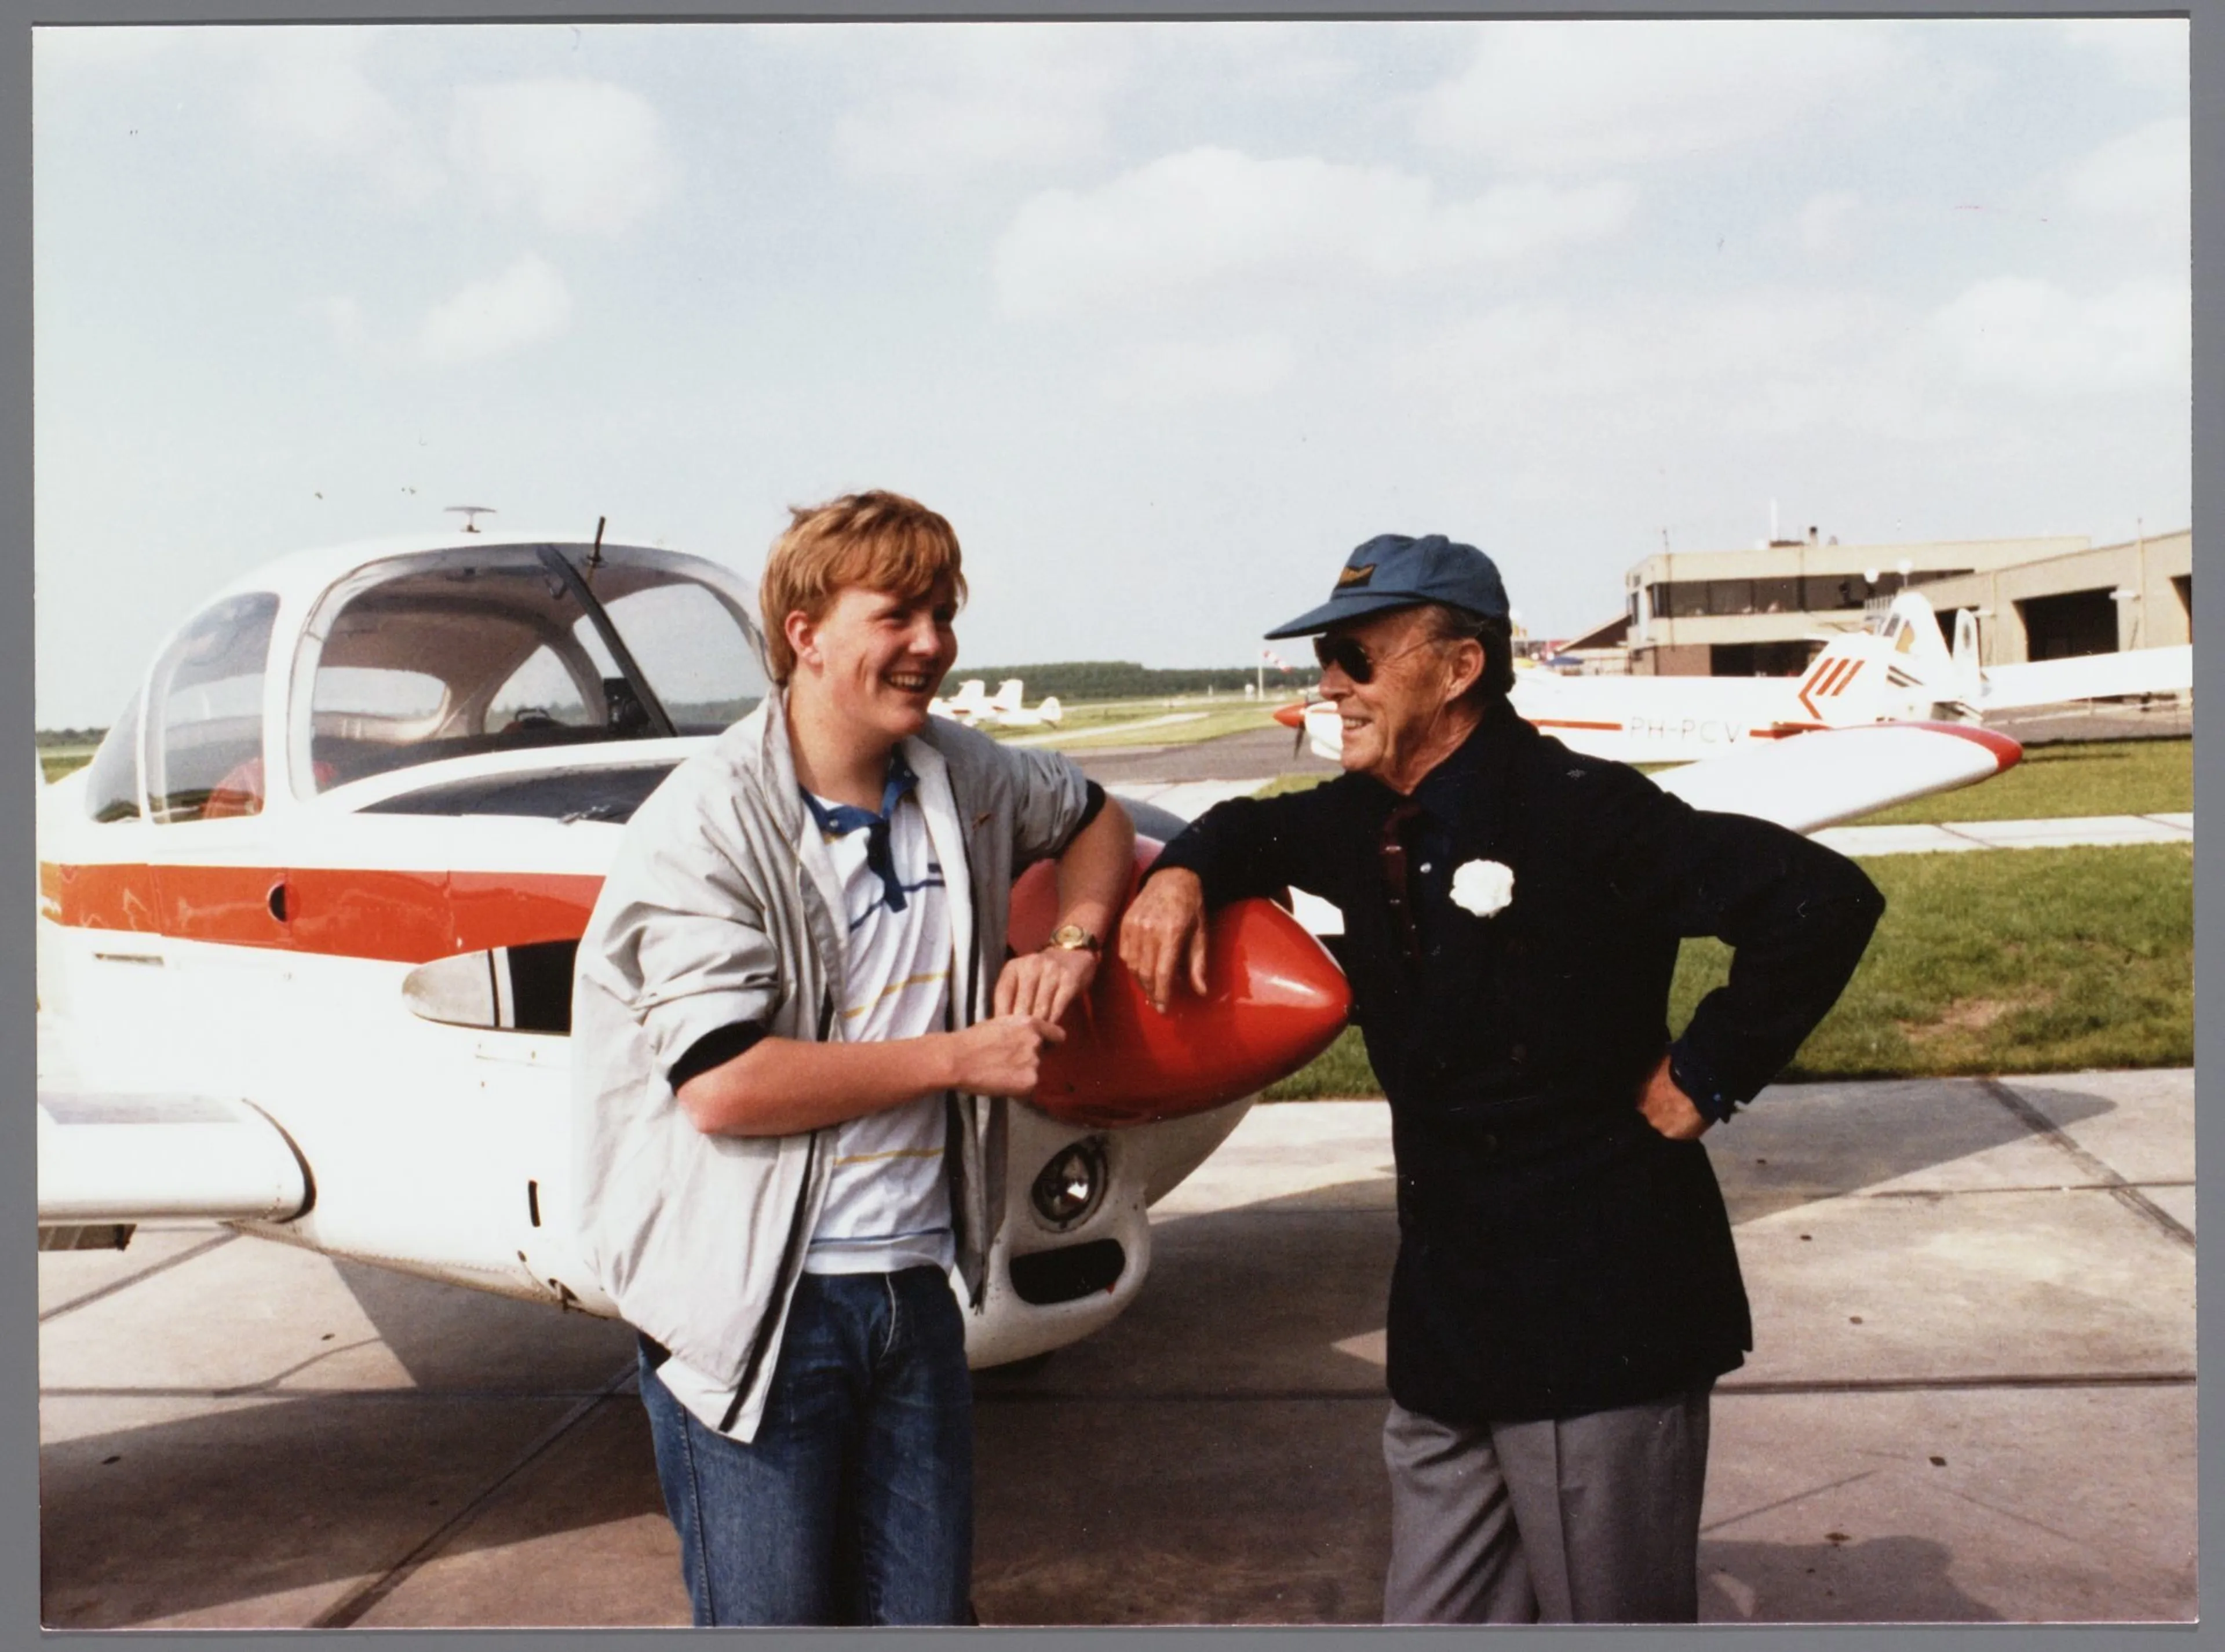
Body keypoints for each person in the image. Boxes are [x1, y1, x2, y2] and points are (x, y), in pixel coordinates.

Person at [1119, 532, 1883, 1625]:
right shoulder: (1358, 815)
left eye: (1355, 655)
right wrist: (1182, 874)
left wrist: (1705, 1075)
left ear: (1459, 668)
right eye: (1326, 656)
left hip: (1599, 1314)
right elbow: (1249, 827)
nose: (1329, 682)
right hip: (1449, 1323)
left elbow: (1820, 900)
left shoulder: (1582, 810)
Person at [570, 490, 1134, 1625]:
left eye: (944, 614)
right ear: (807, 634)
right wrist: (960, 1057)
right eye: (897, 615)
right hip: (760, 1306)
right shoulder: (708, 822)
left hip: (914, 1291)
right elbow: (726, 1085)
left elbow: (1096, 819)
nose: (932, 644)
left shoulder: (961, 774)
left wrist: (1073, 946)